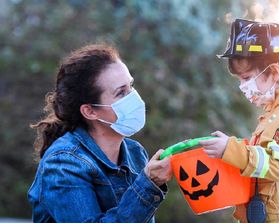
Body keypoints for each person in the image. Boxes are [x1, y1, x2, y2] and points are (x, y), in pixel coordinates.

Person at [28, 44, 172, 223]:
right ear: (90, 111)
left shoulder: (135, 153)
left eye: (131, 86)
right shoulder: (63, 163)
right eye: (120, 93)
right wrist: (147, 185)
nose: (134, 97)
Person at [200, 19, 279, 223]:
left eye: (247, 77)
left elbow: (277, 164)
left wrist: (231, 150)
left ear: (275, 72)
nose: (242, 86)